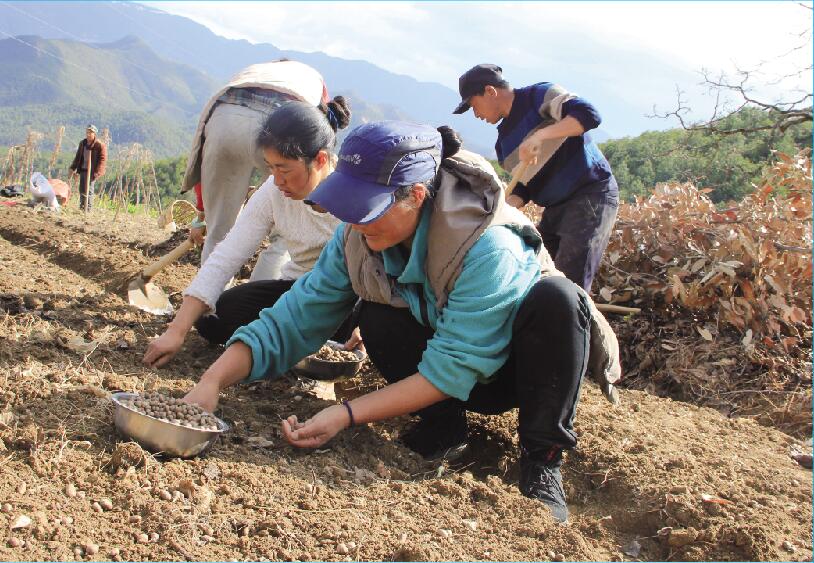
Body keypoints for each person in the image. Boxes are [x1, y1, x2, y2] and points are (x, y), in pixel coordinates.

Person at [181, 120, 621, 523]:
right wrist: (213, 380)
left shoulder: (489, 246)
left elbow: (453, 365)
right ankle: (444, 426)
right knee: (375, 314)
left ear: (415, 195)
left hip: (514, 371)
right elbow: (296, 315)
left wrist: (345, 414)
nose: (354, 220)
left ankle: (542, 461)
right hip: (449, 361)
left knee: (559, 299)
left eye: (367, 209)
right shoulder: (356, 236)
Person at [142, 98, 351, 368]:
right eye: (271, 167)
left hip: (341, 301)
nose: (277, 180)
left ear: (320, 159)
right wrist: (176, 331)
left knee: (349, 326)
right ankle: (282, 340)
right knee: (211, 319)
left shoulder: (352, 198)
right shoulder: (274, 191)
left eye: (285, 169)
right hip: (296, 290)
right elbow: (228, 254)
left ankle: (289, 341)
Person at [452, 64, 618, 293]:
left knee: (569, 283)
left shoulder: (540, 96)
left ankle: (575, 323)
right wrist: (502, 209)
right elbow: (525, 187)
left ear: (490, 91)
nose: (476, 114)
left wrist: (542, 135)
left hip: (590, 193)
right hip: (554, 207)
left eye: (473, 105)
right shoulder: (504, 145)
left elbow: (589, 115)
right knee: (537, 272)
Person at [181, 59, 330, 276]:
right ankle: (259, 303)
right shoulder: (316, 81)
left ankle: (209, 304)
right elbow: (314, 138)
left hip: (224, 119)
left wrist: (204, 214)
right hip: (279, 127)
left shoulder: (253, 71)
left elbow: (205, 163)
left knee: (218, 231)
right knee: (284, 236)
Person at [68, 124, 107, 211]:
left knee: (89, 191)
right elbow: (78, 157)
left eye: (91, 133)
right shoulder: (83, 143)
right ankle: (82, 209)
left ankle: (88, 210)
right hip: (83, 170)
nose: (88, 134)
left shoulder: (99, 145)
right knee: (82, 190)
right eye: (87, 132)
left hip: (92, 172)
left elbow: (102, 160)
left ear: (94, 134)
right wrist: (73, 168)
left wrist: (97, 173)